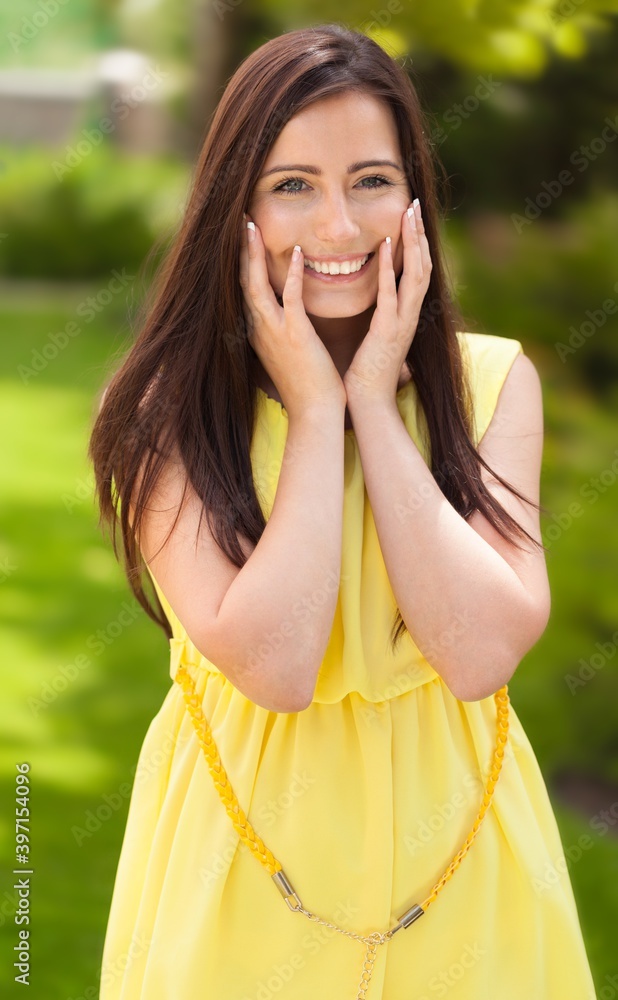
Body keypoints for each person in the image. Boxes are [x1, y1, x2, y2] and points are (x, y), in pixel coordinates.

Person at [88, 23, 597, 1000]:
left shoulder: (493, 384)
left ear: (414, 197)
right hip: (240, 868)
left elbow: (481, 651)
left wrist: (374, 400)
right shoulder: (169, 414)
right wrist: (317, 412)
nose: (339, 227)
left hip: (463, 856)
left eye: (371, 179)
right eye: (293, 186)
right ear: (233, 204)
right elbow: (275, 666)